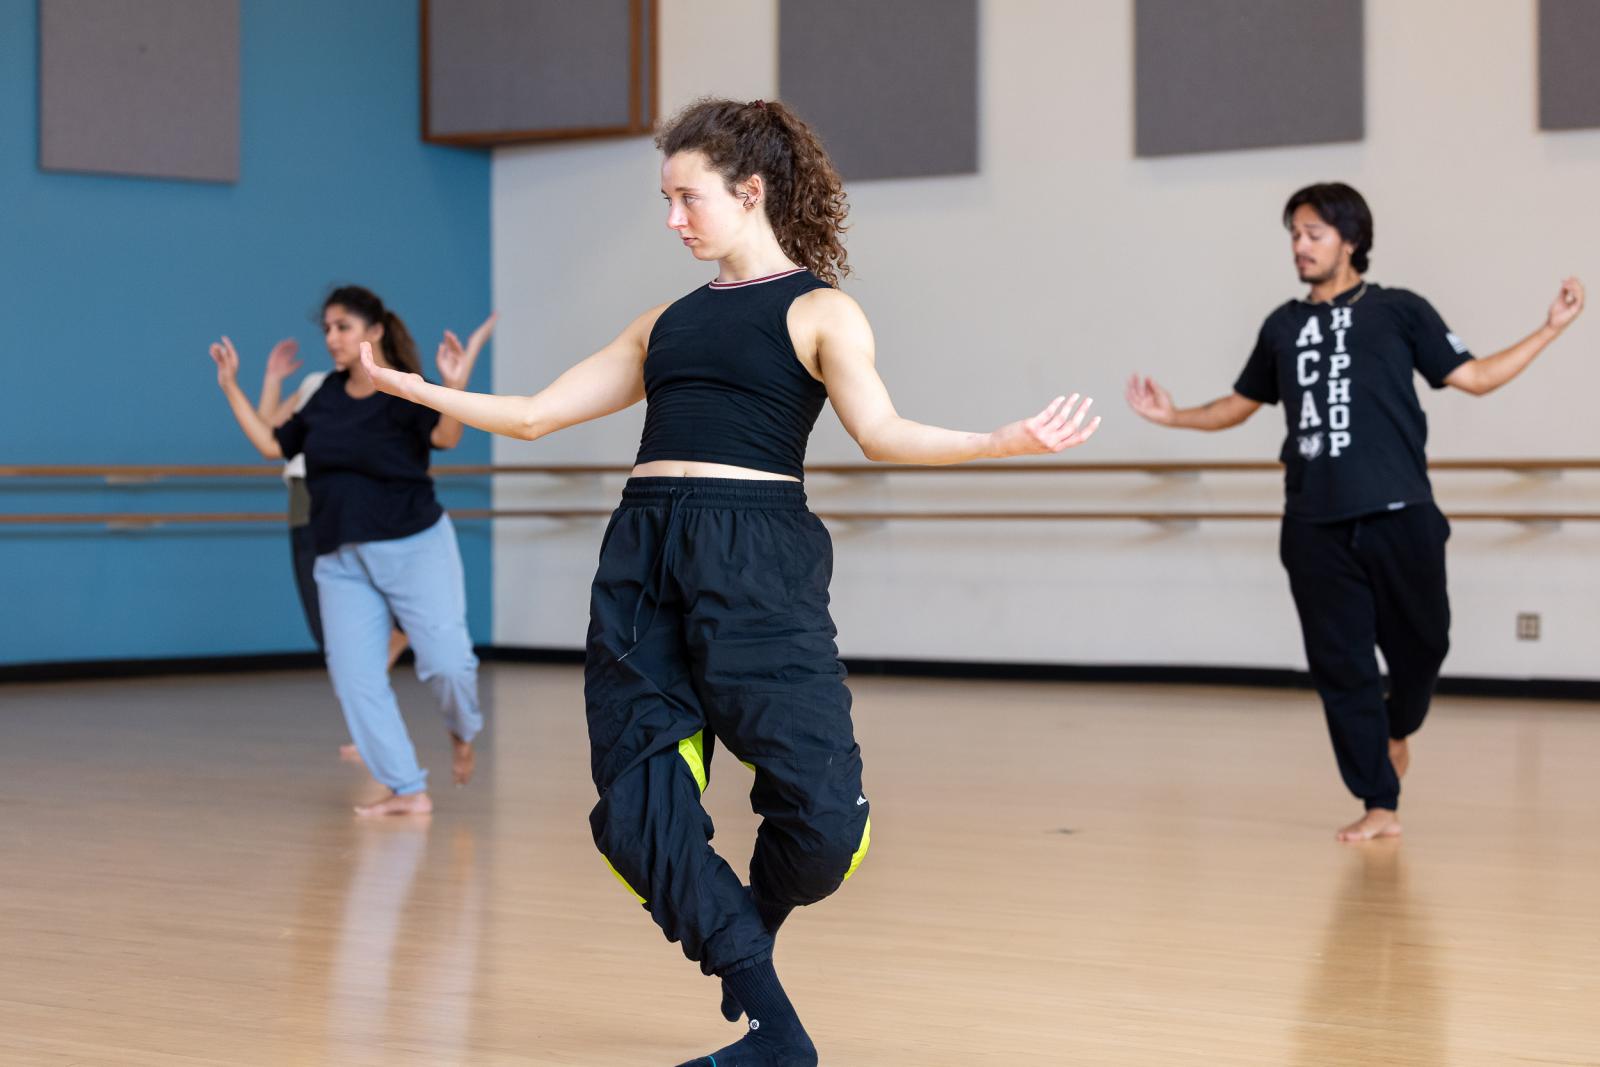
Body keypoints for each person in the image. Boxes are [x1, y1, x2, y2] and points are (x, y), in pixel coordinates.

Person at [359, 98, 1101, 1067]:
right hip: (642, 556)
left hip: (756, 556)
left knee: (823, 824)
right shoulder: (663, 321)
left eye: (686, 197)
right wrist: (413, 388)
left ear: (750, 192)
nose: (672, 218)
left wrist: (1002, 439)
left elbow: (880, 433)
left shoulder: (820, 309)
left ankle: (748, 922)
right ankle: (773, 1031)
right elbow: (539, 414)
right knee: (634, 811)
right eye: (665, 199)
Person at [1126, 182, 1585, 843]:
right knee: (1343, 667)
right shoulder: (1282, 326)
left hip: (1402, 514)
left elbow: (1476, 377)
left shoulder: (1399, 311)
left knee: (1424, 645)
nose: (1300, 247)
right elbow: (1239, 403)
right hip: (1313, 523)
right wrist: (1172, 416)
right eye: (1294, 235)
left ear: (1351, 239)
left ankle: (1399, 726)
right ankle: (1379, 800)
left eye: (1313, 233)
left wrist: (1551, 328)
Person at [209, 286, 496, 816]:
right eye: (328, 329)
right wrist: (231, 386)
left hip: (414, 545)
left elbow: (448, 437)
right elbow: (273, 445)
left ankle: (462, 731)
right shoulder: (325, 396)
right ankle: (406, 788)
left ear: (375, 330)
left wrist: (454, 383)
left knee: (449, 664)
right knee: (355, 677)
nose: (332, 338)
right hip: (340, 559)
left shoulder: (406, 389)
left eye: (342, 326)